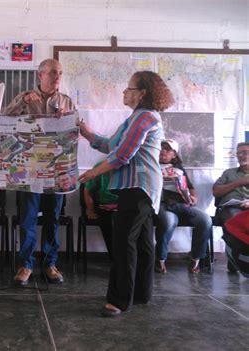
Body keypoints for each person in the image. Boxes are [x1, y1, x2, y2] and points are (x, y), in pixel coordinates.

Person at [78, 71, 174, 317]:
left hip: (138, 187)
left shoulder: (144, 118)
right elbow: (113, 146)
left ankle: (119, 301)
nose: (124, 92)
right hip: (140, 188)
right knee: (141, 242)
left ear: (142, 93)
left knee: (123, 243)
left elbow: (122, 156)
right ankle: (141, 293)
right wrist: (87, 133)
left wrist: (94, 172)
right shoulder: (136, 118)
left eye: (129, 88)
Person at [4, 58, 75, 286]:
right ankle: (26, 265)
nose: (57, 77)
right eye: (53, 73)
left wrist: (68, 121)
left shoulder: (66, 101)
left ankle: (50, 264)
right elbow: (4, 120)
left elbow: (76, 133)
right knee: (28, 219)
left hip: (56, 171)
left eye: (60, 73)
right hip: (28, 171)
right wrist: (23, 101)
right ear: (40, 75)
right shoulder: (24, 98)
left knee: (53, 219)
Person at [154, 139, 212, 274]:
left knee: (205, 220)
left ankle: (195, 258)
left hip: (182, 204)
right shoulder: (151, 166)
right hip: (164, 205)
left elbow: (191, 187)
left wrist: (193, 197)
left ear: (174, 154)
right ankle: (160, 259)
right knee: (168, 222)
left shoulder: (178, 169)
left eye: (168, 149)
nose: (163, 151)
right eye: (161, 148)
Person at [83, 160, 118, 260]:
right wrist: (90, 210)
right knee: (109, 224)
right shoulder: (100, 166)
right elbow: (87, 190)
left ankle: (128, 260)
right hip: (104, 205)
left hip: (125, 204)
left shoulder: (131, 165)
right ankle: (115, 259)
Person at [212, 142, 249, 223]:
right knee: (236, 218)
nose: (240, 156)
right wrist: (239, 182)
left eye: (245, 153)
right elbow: (216, 192)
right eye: (238, 153)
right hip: (232, 207)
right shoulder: (228, 173)